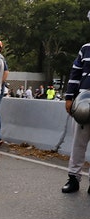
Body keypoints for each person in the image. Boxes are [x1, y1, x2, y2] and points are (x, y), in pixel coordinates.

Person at [62, 11, 90, 194]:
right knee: (78, 143)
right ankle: (73, 178)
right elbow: (75, 73)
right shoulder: (86, 48)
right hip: (83, 103)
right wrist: (69, 98)